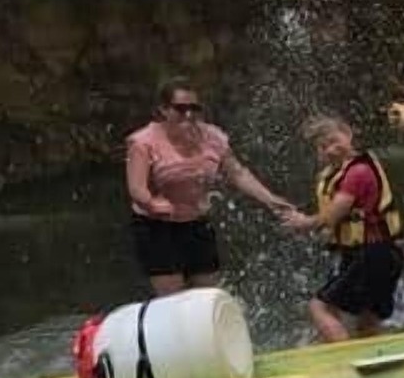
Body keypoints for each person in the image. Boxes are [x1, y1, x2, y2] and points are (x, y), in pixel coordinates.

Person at [125, 75, 294, 297]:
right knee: (174, 299)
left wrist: (270, 199)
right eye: (180, 109)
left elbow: (237, 173)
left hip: (196, 223)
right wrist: (152, 204)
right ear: (164, 110)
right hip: (156, 227)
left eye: (195, 109)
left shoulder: (212, 137)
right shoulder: (144, 142)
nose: (189, 115)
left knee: (208, 296)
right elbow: (136, 189)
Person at [281, 115, 404, 342]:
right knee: (368, 318)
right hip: (382, 254)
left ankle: (344, 356)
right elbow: (334, 220)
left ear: (348, 133)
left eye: (333, 141)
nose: (330, 149)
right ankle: (376, 353)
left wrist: (304, 222)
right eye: (322, 147)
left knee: (320, 307)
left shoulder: (358, 173)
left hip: (373, 253)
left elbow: (333, 215)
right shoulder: (336, 174)